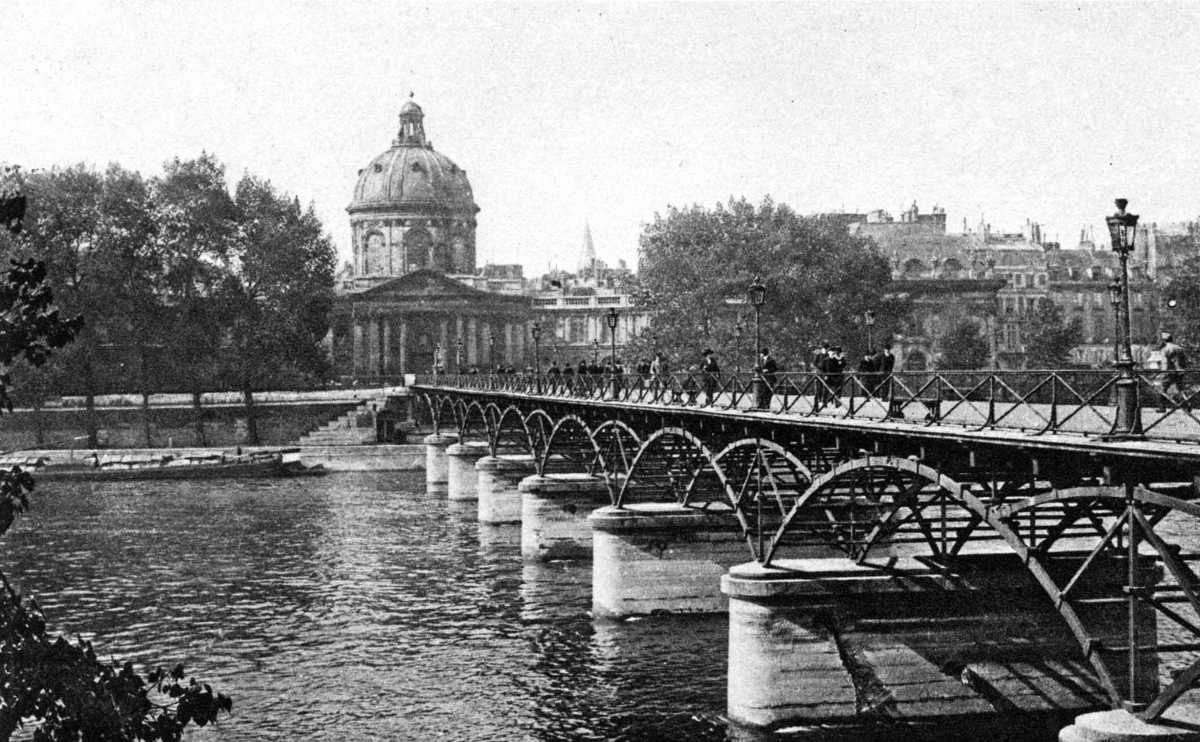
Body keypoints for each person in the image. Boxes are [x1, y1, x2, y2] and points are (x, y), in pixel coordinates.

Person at [1161, 332, 1189, 410]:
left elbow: (1165, 363)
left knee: (1162, 389)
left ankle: (1162, 407)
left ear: (1164, 341)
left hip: (1170, 372)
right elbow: (1184, 360)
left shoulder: (1165, 349)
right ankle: (1187, 403)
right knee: (1180, 388)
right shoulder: (1179, 348)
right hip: (1180, 371)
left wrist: (1163, 373)